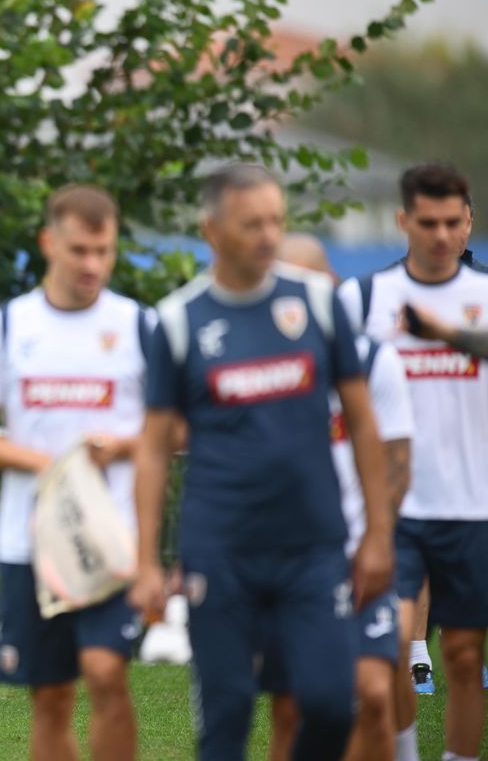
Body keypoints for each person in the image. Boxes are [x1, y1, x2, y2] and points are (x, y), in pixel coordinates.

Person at [129, 163, 394, 760]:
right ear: (212, 230)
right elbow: (152, 445)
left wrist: (378, 534)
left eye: (276, 220)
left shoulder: (320, 305)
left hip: (314, 549)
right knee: (226, 720)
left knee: (329, 703)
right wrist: (146, 560)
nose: (269, 235)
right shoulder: (177, 320)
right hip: (221, 552)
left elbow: (362, 421)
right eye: (252, 224)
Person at [0, 184, 147, 761]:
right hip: (31, 543)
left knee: (107, 673)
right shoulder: (7, 325)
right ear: (48, 244)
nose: (92, 265)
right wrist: (52, 466)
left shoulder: (139, 325)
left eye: (103, 251)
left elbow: (178, 428)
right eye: (80, 250)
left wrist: (125, 445)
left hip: (113, 542)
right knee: (52, 698)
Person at [338, 163, 488, 761]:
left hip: (472, 504)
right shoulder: (364, 298)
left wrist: (446, 334)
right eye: (427, 222)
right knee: (394, 644)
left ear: (468, 220)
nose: (441, 235)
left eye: (453, 222)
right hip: (392, 506)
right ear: (404, 220)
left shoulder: (483, 296)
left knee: (464, 654)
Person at [264, 234, 414, 761]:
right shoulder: (259, 369)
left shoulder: (373, 362)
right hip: (284, 561)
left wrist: (376, 538)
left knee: (377, 689)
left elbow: (398, 463)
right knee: (291, 710)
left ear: (332, 288)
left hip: (363, 553)